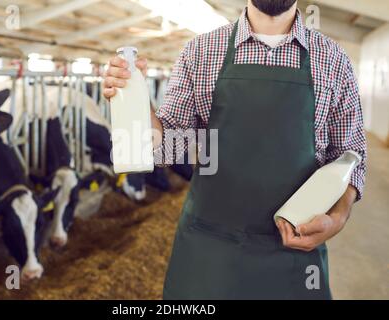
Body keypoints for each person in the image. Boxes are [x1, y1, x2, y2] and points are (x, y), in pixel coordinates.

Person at [103, 0, 367, 300]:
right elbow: (170, 148)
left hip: (295, 257)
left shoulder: (333, 59)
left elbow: (350, 155)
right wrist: (138, 105)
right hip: (208, 254)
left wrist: (337, 218)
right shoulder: (200, 52)